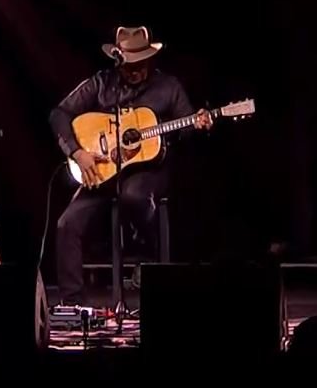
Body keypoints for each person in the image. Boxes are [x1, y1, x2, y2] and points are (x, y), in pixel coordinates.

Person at [49, 26, 212, 306]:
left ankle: (146, 255)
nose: (135, 72)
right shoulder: (102, 83)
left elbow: (186, 128)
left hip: (149, 172)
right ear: (118, 60)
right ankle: (73, 305)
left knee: (134, 195)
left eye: (141, 65)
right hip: (105, 172)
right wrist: (77, 152)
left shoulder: (168, 87)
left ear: (150, 59)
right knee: (66, 225)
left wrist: (198, 125)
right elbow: (59, 114)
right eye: (129, 66)